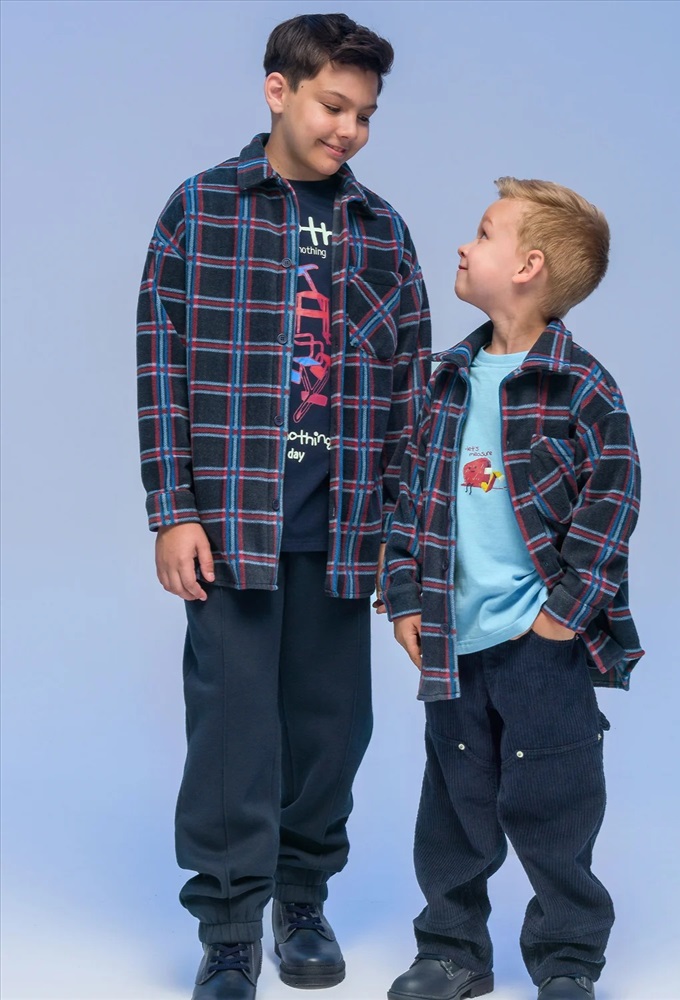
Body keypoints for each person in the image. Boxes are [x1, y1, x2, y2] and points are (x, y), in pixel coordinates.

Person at [136, 13, 431, 1000]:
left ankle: (301, 898)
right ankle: (229, 929)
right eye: (333, 106)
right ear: (279, 90)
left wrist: (401, 540)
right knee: (230, 735)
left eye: (365, 115)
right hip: (231, 528)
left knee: (330, 730)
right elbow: (160, 367)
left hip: (345, 531)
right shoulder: (201, 209)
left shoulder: (383, 232)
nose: (349, 129)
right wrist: (173, 508)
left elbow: (411, 394)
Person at [381, 178, 643, 1000]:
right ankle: (451, 950)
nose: (465, 245)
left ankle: (567, 958)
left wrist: (565, 617)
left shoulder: (581, 386)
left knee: (556, 806)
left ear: (528, 266)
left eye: (485, 233)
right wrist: (405, 598)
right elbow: (406, 495)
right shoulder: (444, 380)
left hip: (542, 646)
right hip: (455, 640)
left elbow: (613, 501)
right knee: (453, 808)